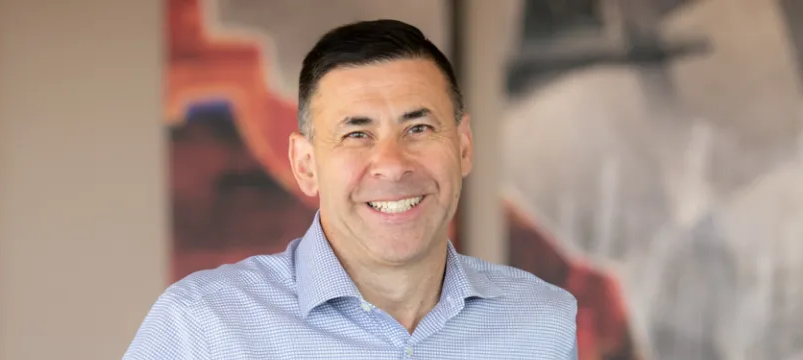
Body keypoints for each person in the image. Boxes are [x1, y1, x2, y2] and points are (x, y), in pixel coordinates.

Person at [124, 19, 578, 359]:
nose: (393, 164)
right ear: (306, 165)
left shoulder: (544, 324)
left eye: (418, 127)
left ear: (462, 148)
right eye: (356, 134)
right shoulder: (203, 327)